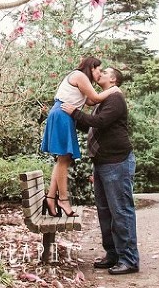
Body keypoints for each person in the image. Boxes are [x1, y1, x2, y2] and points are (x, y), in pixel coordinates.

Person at [61, 66, 140, 275]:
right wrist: (72, 117)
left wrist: (75, 112)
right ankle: (113, 255)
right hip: (102, 162)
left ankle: (129, 260)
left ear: (113, 79)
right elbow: (91, 127)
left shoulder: (115, 99)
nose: (100, 74)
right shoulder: (102, 101)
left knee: (121, 211)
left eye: (104, 72)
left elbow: (100, 122)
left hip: (117, 161)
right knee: (105, 213)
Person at [40, 56, 120, 217]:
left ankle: (50, 197)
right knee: (64, 158)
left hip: (64, 115)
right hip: (62, 114)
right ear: (92, 67)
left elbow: (90, 101)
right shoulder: (79, 76)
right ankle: (63, 199)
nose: (99, 73)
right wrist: (114, 89)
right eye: (99, 70)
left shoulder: (83, 80)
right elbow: (96, 98)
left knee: (63, 159)